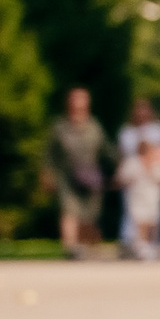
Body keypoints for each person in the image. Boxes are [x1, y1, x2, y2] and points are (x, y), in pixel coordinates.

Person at [44, 88, 107, 258]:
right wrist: (47, 173)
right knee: (69, 210)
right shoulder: (60, 127)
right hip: (67, 176)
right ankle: (70, 248)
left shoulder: (94, 126)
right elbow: (49, 153)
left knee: (89, 216)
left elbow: (106, 151)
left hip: (90, 176)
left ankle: (85, 248)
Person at [115, 99, 160, 261]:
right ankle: (134, 244)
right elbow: (121, 159)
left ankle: (153, 245)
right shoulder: (127, 133)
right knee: (136, 217)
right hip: (135, 186)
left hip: (152, 188)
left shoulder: (159, 130)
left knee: (153, 219)